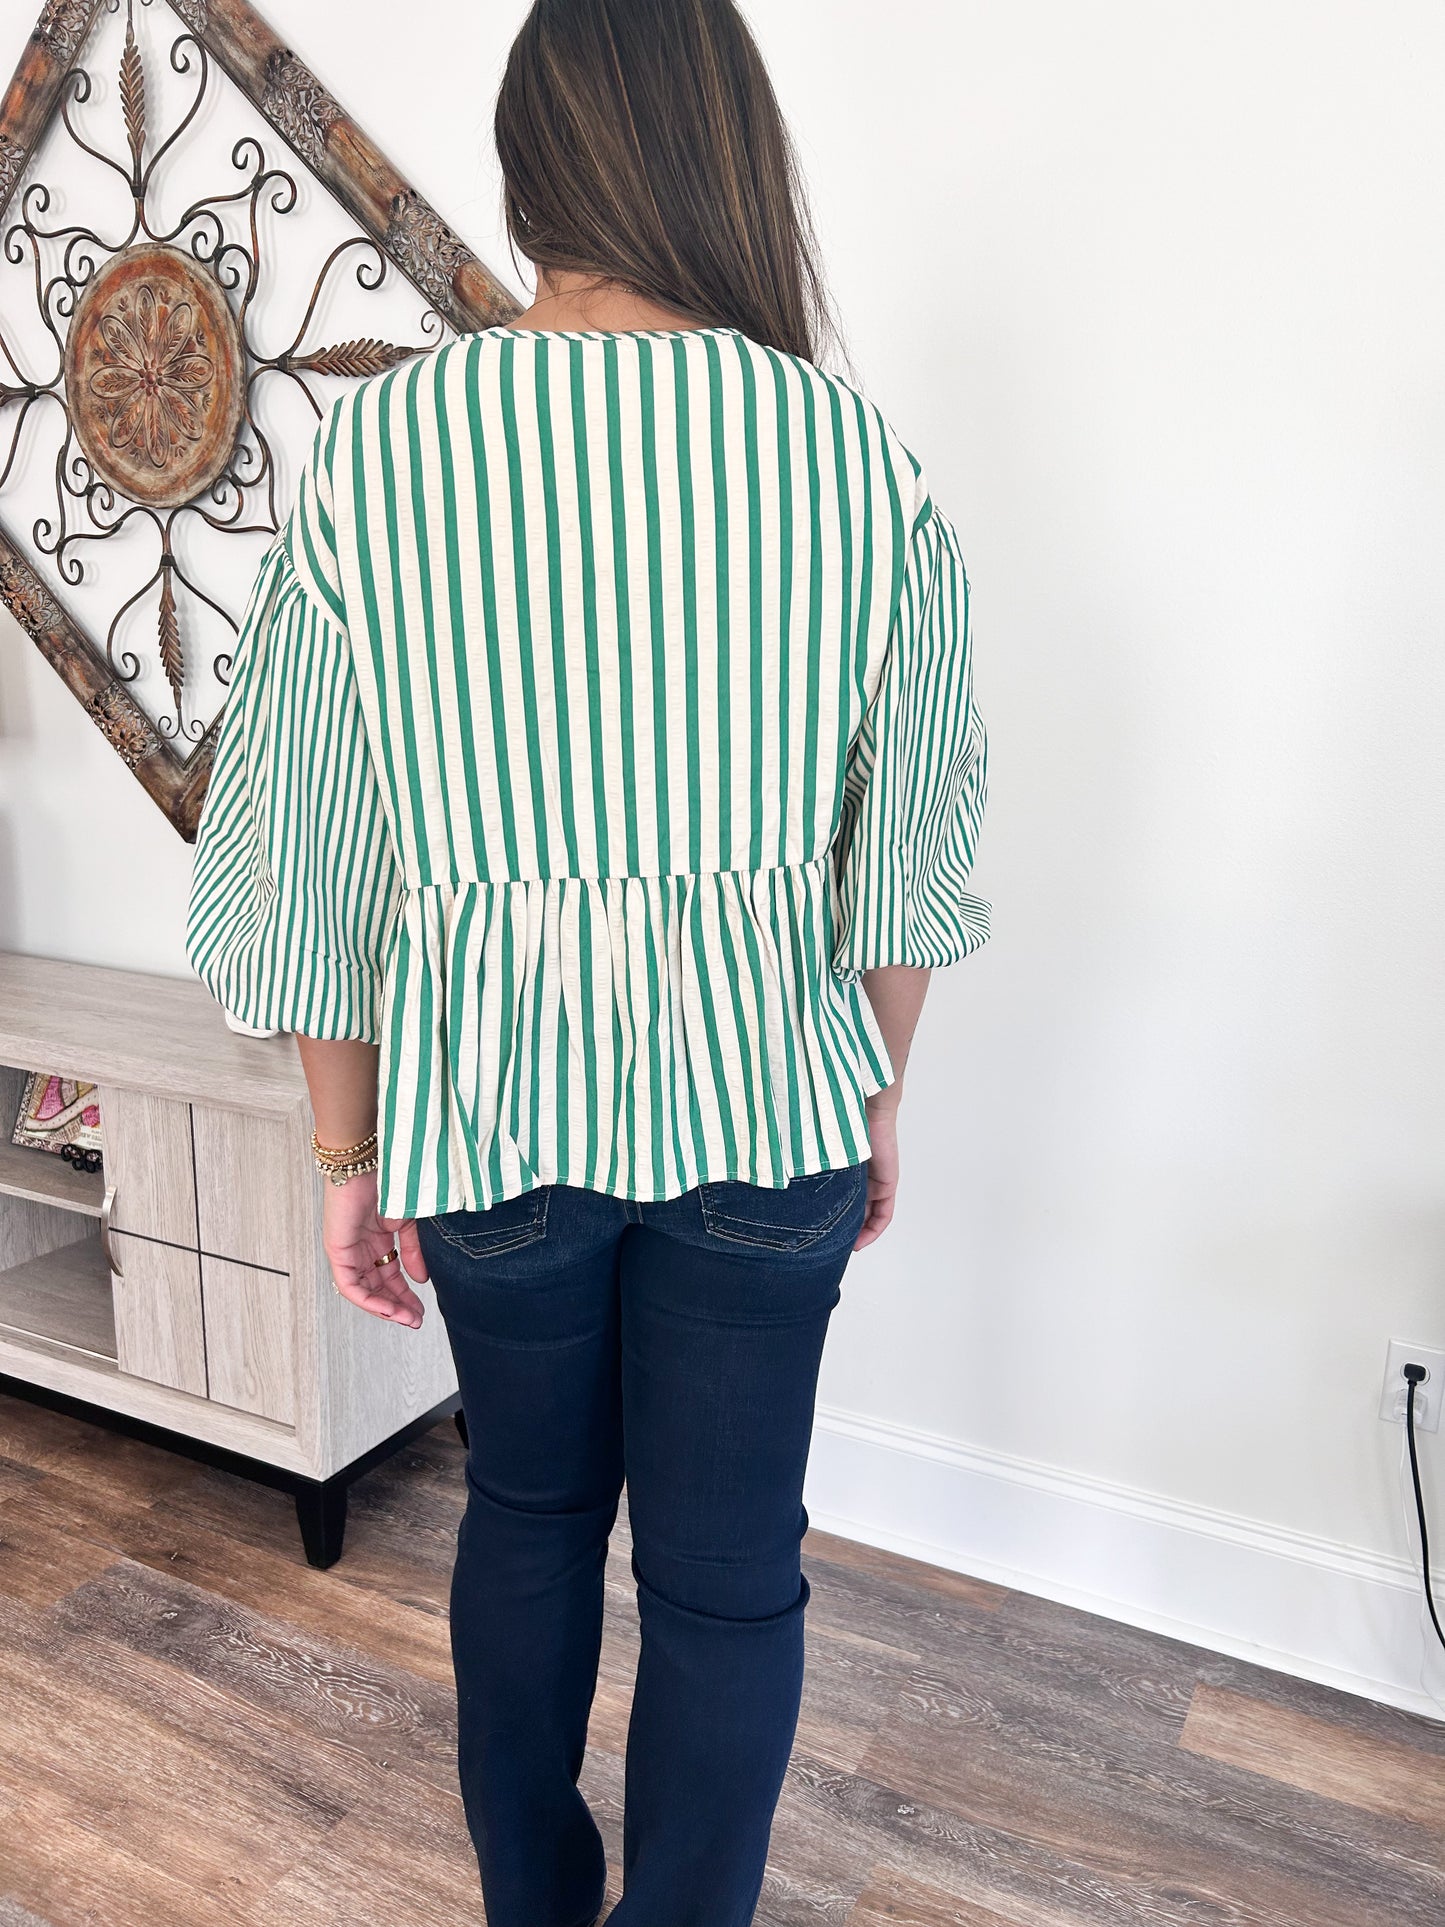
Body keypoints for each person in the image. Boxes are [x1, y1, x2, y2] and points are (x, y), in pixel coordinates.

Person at [184, 0, 990, 1920]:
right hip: (762, 1115)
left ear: (531, 167)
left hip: (494, 1127)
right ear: (726, 157)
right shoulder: (843, 456)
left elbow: (294, 859)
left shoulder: (384, 451)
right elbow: (916, 854)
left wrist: (345, 1154)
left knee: (530, 1519)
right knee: (728, 1574)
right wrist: (867, 1099)